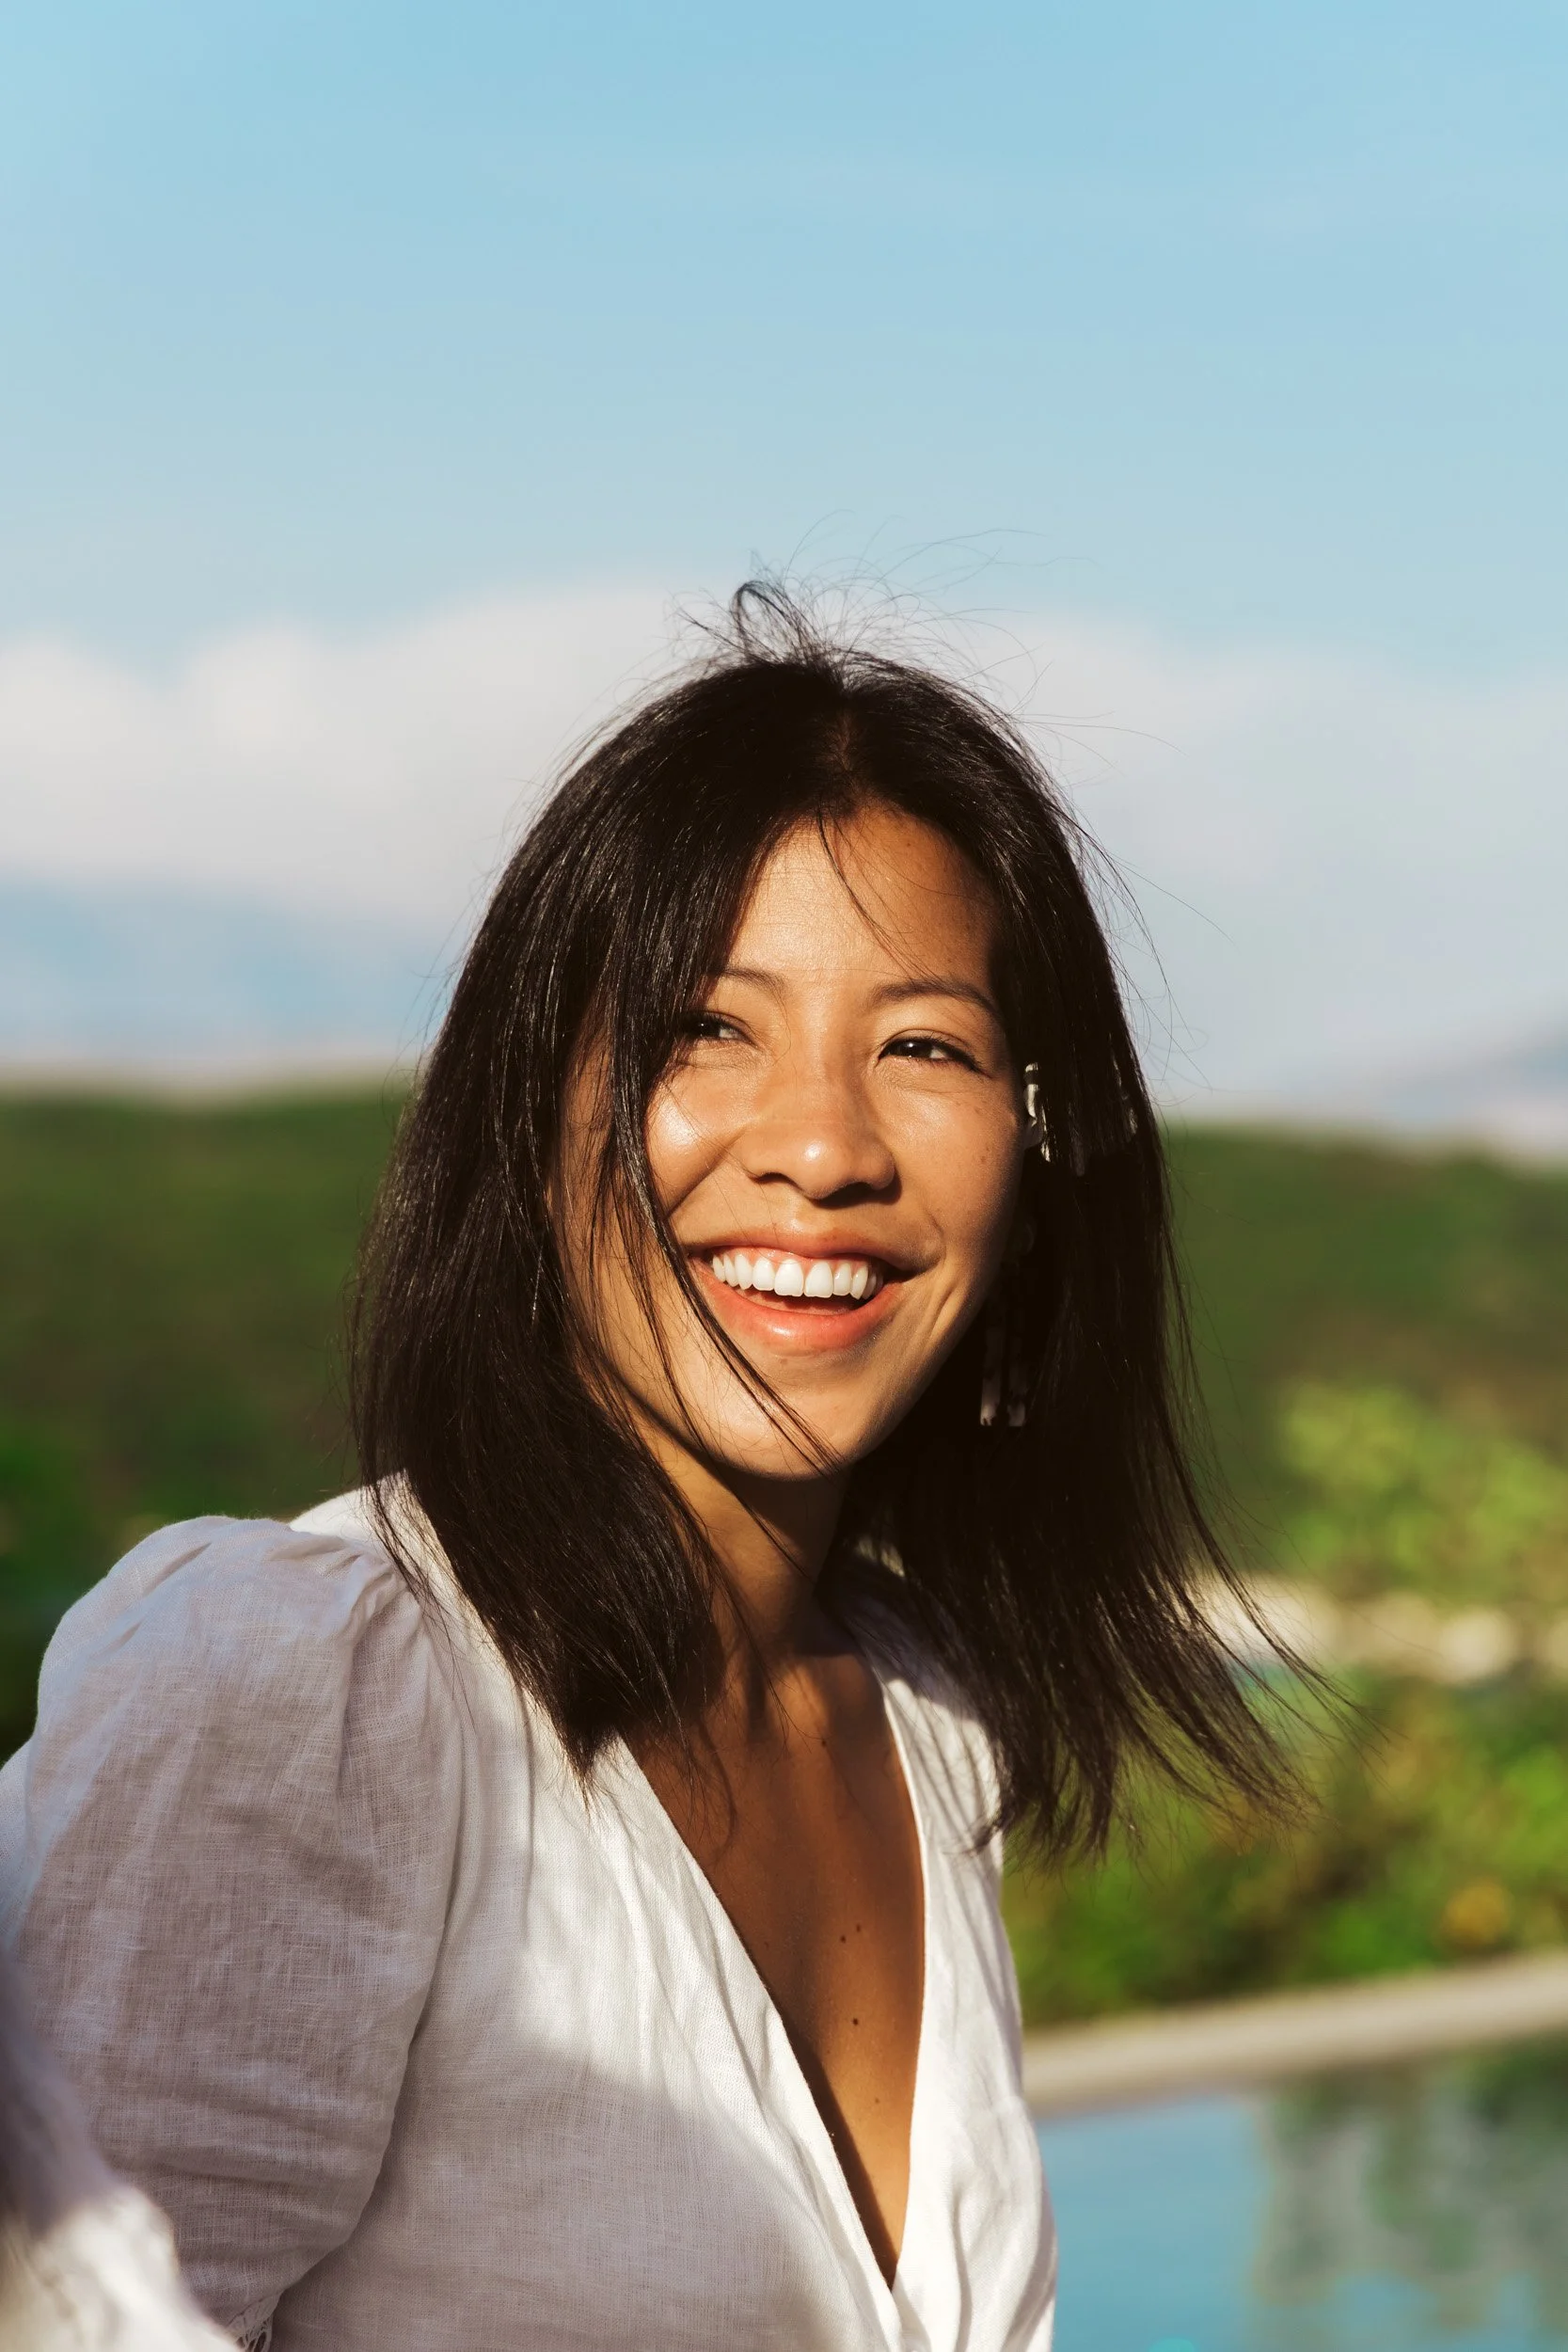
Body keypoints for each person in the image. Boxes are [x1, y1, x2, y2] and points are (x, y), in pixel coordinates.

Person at [0, 586, 1281, 2350]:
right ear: (528, 1117)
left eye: (923, 1045)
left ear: (1034, 1149)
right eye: (703, 1028)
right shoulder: (312, 1685)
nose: (821, 1148)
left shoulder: (923, 1717)